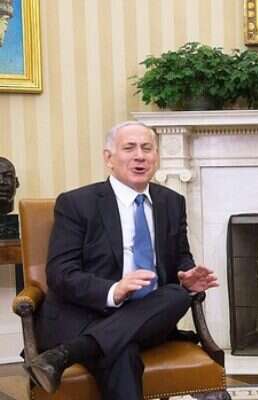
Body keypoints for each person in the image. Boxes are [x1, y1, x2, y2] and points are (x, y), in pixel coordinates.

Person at [26, 121, 219, 400]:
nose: (140, 156)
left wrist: (186, 275)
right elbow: (60, 274)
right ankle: (84, 345)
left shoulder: (171, 202)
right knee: (121, 354)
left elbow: (181, 256)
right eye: (129, 148)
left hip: (146, 314)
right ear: (109, 158)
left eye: (147, 148)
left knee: (178, 294)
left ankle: (67, 354)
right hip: (86, 314)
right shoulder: (77, 203)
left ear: (156, 157)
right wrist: (113, 290)